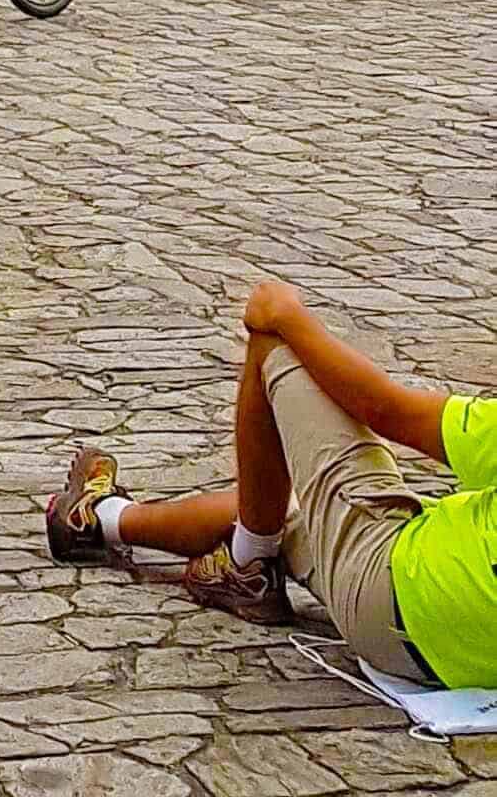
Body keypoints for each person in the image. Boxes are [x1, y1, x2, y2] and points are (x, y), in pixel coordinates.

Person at [47, 274, 497, 683]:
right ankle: (101, 517)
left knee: (273, 346)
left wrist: (287, 313)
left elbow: (384, 410)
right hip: (456, 653)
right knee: (282, 516)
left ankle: (247, 567)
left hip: (400, 594)